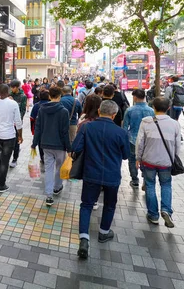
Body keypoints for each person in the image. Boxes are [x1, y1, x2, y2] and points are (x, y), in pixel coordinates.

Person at [71, 100, 130, 259]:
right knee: (110, 205)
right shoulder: (121, 133)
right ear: (114, 114)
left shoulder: (87, 127)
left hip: (91, 173)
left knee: (86, 205)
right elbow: (125, 155)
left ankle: (84, 238)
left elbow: (75, 148)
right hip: (112, 175)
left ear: (99, 110)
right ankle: (104, 232)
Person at [135, 97, 181, 228]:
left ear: (153, 107)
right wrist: (174, 159)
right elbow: (178, 146)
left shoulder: (146, 122)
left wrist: (138, 158)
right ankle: (166, 210)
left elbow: (140, 142)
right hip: (166, 162)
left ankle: (153, 215)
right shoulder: (175, 124)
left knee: (150, 185)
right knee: (166, 185)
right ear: (168, 108)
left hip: (148, 160)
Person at [31, 86, 72, 206]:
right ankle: (57, 187)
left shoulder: (42, 109)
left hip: (45, 144)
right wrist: (69, 148)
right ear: (60, 96)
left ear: (49, 96)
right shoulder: (64, 111)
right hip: (59, 145)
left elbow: (38, 128)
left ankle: (48, 195)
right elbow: (65, 132)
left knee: (48, 169)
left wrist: (34, 143)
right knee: (59, 167)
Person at [0, 83, 23, 193]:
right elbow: (18, 122)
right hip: (9, 136)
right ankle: (1, 184)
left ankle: (0, 179)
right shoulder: (13, 103)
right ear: (8, 91)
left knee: (2, 158)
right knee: (5, 161)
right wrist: (20, 135)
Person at [122, 89, 155, 189]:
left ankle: (135, 180)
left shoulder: (130, 110)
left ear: (135, 97)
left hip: (132, 139)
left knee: (132, 160)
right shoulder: (151, 111)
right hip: (147, 139)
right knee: (146, 160)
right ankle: (146, 179)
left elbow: (125, 127)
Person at [9, 80, 27, 168]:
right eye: (11, 87)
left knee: (17, 141)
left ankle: (15, 158)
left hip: (17, 122)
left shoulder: (23, 96)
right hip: (8, 122)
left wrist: (18, 121)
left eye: (13, 87)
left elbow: (23, 110)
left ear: (17, 87)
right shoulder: (9, 95)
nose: (11, 89)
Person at [30, 89, 50, 165]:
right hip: (49, 128)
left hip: (38, 128)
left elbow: (32, 118)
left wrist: (33, 130)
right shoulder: (52, 104)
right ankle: (48, 157)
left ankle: (42, 158)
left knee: (40, 144)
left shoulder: (36, 106)